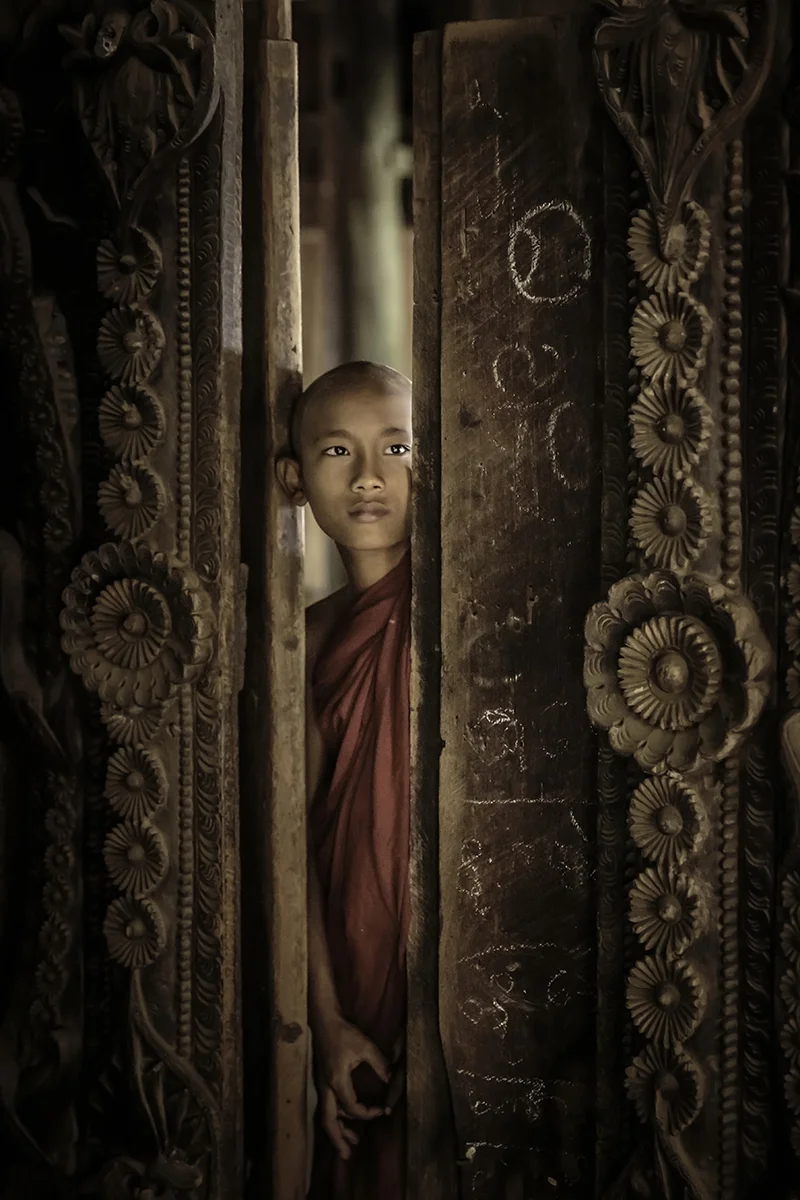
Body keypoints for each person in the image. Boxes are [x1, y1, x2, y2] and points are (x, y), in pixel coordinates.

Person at [277, 361, 412, 1199]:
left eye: (396, 446)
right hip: (353, 965)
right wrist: (324, 1024)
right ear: (294, 479)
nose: (369, 475)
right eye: (336, 450)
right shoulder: (304, 646)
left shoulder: (464, 613)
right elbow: (293, 845)